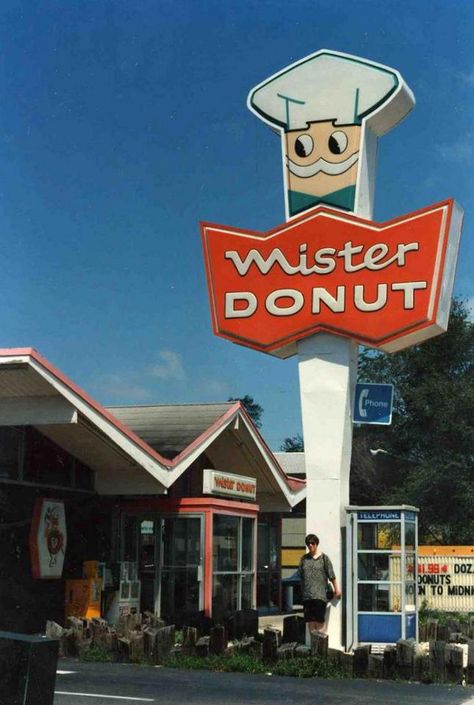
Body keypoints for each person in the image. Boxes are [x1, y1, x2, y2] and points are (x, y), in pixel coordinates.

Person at [298, 533, 341, 634]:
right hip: (307, 596)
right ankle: (314, 646)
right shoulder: (304, 559)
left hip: (320, 595)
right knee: (310, 622)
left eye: (312, 543)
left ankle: (320, 646)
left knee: (320, 621)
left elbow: (331, 575)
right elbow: (301, 575)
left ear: (316, 544)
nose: (310, 545)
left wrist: (336, 589)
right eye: (308, 544)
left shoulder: (324, 558)